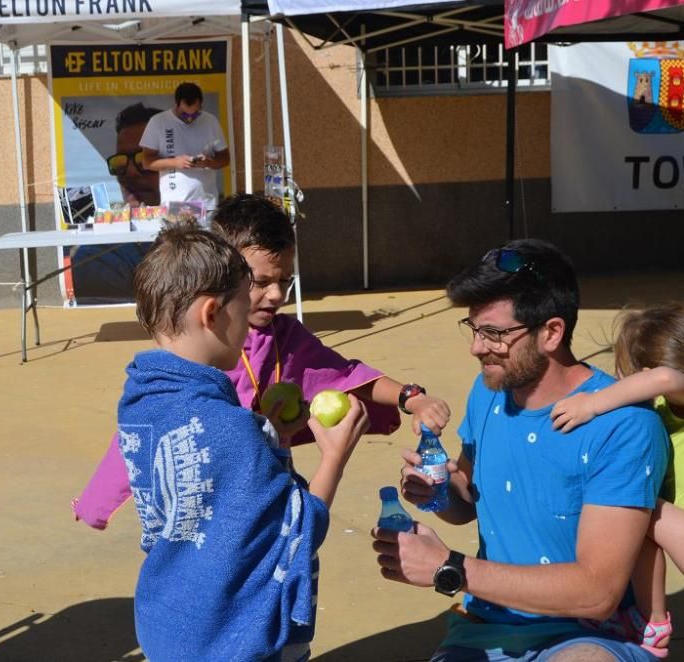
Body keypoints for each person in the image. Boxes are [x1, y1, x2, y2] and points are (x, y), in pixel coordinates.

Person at [73, 194, 452, 529]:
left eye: (285, 281)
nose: (276, 295)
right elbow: (139, 435)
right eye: (259, 282)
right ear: (223, 276)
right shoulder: (197, 356)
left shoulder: (284, 336)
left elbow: (345, 376)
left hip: (264, 499)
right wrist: (96, 502)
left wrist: (411, 397)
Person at [372, 239, 670, 662]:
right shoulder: (489, 390)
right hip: (484, 627)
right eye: (474, 329)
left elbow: (597, 593)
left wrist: (449, 567)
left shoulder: (624, 425)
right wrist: (436, 488)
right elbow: (465, 502)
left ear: (551, 332)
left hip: (592, 636)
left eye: (494, 333)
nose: (477, 347)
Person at [119, 223, 368, 660]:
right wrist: (334, 456)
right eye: (245, 299)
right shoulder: (230, 429)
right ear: (213, 313)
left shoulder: (141, 402)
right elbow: (299, 529)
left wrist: (270, 439)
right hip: (234, 638)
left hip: (171, 626)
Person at [549, 303, 684, 658]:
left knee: (637, 505)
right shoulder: (667, 408)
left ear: (645, 371)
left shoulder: (675, 384)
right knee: (640, 515)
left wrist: (592, 404)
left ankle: (650, 619)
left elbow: (666, 378)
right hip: (675, 520)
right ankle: (649, 621)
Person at [70, 102, 161, 302]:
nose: (129, 173)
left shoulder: (204, 233)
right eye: (120, 163)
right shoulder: (97, 258)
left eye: (142, 159)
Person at [140, 82, 230, 207]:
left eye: (195, 114)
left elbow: (225, 158)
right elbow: (146, 161)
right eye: (184, 114)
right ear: (176, 104)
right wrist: (175, 163)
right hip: (174, 204)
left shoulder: (210, 121)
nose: (189, 118)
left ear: (201, 106)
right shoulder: (158, 122)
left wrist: (208, 162)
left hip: (206, 203)